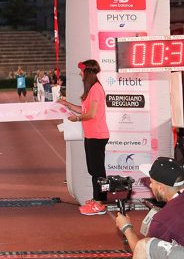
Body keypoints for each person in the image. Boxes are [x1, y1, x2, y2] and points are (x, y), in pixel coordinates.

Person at [57, 59, 109, 215]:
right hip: (91, 135)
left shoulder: (96, 89)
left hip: (97, 136)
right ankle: (96, 200)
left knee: (98, 171)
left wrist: (77, 119)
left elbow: (91, 114)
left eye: (81, 71)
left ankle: (99, 203)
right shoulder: (92, 89)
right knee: (94, 170)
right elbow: (84, 109)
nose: (79, 73)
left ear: (87, 72)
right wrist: (68, 105)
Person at [115, 157, 184, 251]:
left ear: (161, 188)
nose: (150, 185)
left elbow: (143, 253)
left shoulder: (163, 219)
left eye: (151, 182)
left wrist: (126, 228)